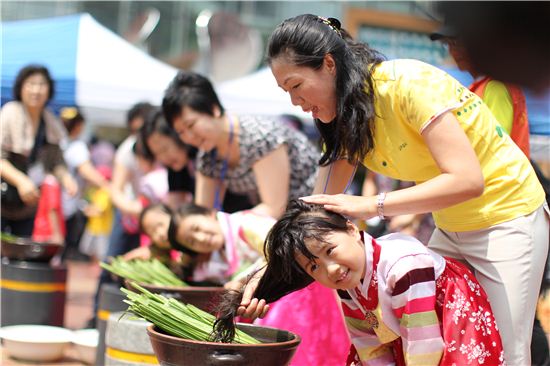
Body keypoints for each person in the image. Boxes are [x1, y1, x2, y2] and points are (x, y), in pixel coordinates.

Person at [263, 14, 548, 365]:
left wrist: (372, 205)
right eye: (286, 92)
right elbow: (310, 218)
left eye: (295, 85)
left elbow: (468, 180)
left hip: (508, 217)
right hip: (452, 226)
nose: (295, 102)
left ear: (328, 64)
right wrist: (262, 272)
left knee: (506, 350)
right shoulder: (348, 118)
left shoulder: (407, 85)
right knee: (445, 338)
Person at [218, 200, 505, 365]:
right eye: (313, 266)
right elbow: (368, 343)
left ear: (352, 229)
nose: (330, 268)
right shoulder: (347, 280)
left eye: (330, 250)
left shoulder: (403, 264)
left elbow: (424, 343)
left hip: (446, 316)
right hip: (406, 327)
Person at [431, 26, 550, 365]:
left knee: (510, 335)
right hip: (480, 216)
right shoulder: (477, 88)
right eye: (450, 43)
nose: (455, 51)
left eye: (461, 41)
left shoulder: (494, 87)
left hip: (501, 214)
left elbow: (483, 152)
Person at [131, 202, 351, 365]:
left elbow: (280, 254)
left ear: (209, 214)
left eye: (197, 228)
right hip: (268, 299)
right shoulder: (215, 254)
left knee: (306, 351)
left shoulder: (245, 224)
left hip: (296, 294)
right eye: (192, 241)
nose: (200, 238)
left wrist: (242, 279)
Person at [162, 71, 319, 219]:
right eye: (181, 132)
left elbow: (274, 208)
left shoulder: (259, 137)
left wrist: (227, 225)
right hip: (289, 219)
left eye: (190, 125)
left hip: (317, 206)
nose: (189, 137)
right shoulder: (208, 157)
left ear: (214, 109)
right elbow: (203, 214)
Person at [1, 64, 77, 236]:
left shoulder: (50, 121)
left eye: (42, 85)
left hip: (28, 204)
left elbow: (56, 161)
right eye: (31, 84)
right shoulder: (10, 112)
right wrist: (21, 181)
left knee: (21, 253)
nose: (36, 90)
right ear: (21, 87)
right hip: (3, 196)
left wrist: (66, 178)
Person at [60, 107, 109, 261]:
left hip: (55, 202)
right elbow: (87, 171)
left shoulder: (59, 143)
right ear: (79, 126)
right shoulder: (77, 147)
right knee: (65, 247)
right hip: (68, 204)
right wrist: (107, 185)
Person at [139, 109, 195, 209]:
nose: (163, 158)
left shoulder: (203, 156)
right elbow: (175, 205)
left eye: (164, 149)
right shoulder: (175, 168)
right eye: (157, 154)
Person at [32, 147, 66, 245]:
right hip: (48, 234)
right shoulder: (52, 184)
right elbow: (52, 209)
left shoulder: (45, 182)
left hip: (41, 232)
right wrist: (56, 233)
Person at [79, 165, 113, 262]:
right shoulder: (95, 191)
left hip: (102, 229)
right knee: (88, 250)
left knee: (102, 254)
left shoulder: (105, 192)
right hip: (93, 227)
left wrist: (88, 210)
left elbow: (99, 211)